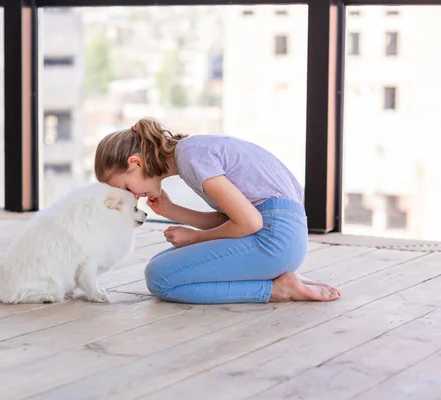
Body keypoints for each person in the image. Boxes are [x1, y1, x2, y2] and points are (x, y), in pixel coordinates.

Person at [94, 117, 341, 304]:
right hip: (283, 237)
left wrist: (195, 237)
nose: (133, 197)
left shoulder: (191, 157)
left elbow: (250, 223)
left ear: (135, 163)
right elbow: (234, 219)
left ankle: (275, 289)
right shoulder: (192, 151)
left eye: (126, 187)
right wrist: (171, 209)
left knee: (160, 277)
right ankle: (276, 275)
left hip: (274, 241)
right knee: (162, 262)